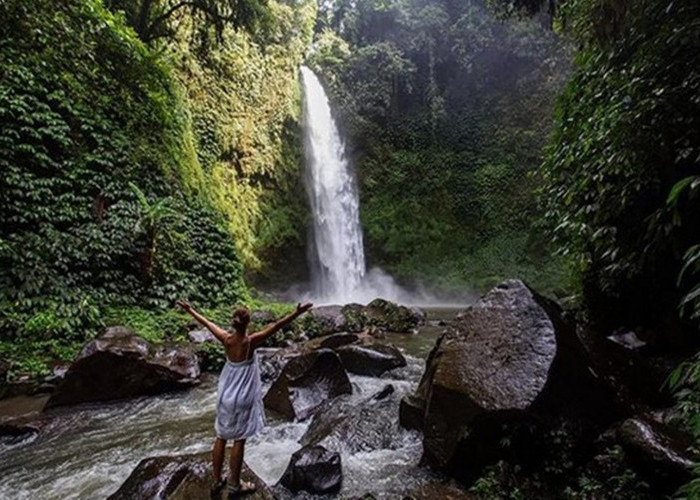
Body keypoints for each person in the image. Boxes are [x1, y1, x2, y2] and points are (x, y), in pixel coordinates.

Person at [176, 300, 313, 498]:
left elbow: (207, 323)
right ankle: (234, 484)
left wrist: (190, 309)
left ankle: (216, 480)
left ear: (233, 324)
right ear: (247, 324)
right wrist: (297, 312)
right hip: (243, 397)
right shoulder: (251, 342)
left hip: (225, 395)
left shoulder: (226, 339)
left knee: (221, 436)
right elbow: (276, 326)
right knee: (239, 440)